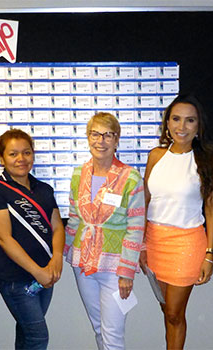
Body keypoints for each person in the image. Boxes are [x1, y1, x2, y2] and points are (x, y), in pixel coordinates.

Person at [139, 94, 213, 349]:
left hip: (187, 243)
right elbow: (145, 201)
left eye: (189, 121)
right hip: (153, 241)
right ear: (167, 122)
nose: (181, 127)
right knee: (166, 310)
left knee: (175, 313)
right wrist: (140, 244)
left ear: (198, 126)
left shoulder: (207, 160)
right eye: (176, 119)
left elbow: (212, 209)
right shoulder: (155, 156)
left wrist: (210, 254)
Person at [64, 112, 145, 350]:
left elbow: (136, 227)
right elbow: (74, 217)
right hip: (83, 264)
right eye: (95, 134)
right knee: (99, 328)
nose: (101, 140)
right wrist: (64, 253)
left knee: (112, 335)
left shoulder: (130, 177)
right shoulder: (79, 174)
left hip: (114, 268)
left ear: (117, 140)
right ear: (88, 138)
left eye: (108, 135)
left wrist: (127, 272)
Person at [0, 128, 65, 350]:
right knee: (38, 337)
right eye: (13, 154)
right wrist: (36, 271)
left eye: (26, 152)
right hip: (15, 277)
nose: (21, 159)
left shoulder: (44, 189)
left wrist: (57, 258)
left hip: (46, 273)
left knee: (27, 333)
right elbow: (3, 238)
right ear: (2, 158)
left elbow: (57, 226)